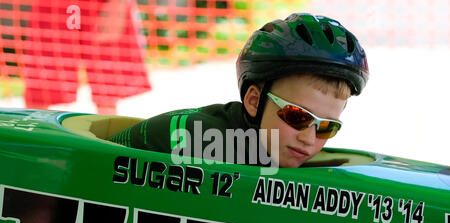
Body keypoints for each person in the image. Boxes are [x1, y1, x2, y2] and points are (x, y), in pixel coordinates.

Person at [108, 13, 369, 168]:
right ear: (254, 101)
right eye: (298, 117)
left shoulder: (272, 146)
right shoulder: (200, 145)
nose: (309, 139)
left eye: (327, 127)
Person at [23, 0, 151, 115]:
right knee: (41, 88)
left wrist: (118, 3)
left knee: (108, 89)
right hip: (54, 5)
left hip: (102, 4)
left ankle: (110, 137)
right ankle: (37, 136)